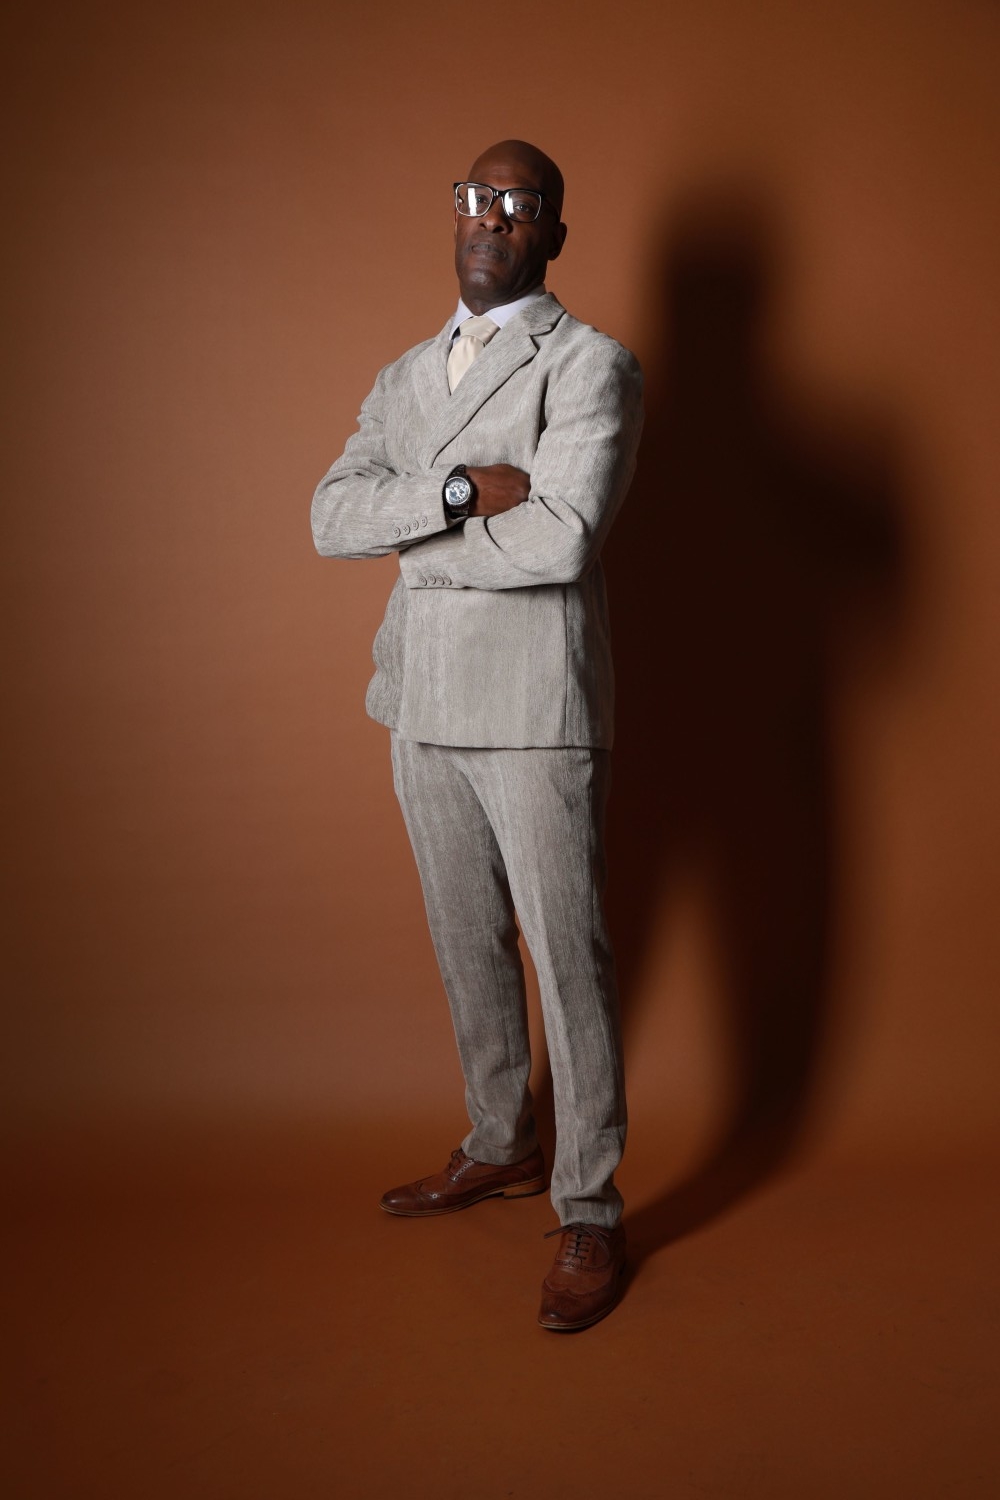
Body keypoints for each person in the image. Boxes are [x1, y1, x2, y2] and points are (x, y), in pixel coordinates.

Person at [311, 140, 643, 1330]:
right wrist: (454, 494)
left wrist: (411, 546)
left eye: (518, 203)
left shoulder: (592, 365)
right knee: (466, 942)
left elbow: (562, 537)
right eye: (474, 198)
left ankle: (589, 1205)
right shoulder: (405, 376)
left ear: (553, 233)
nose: (490, 217)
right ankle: (500, 1140)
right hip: (421, 699)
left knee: (568, 956)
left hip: (534, 708)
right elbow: (328, 517)